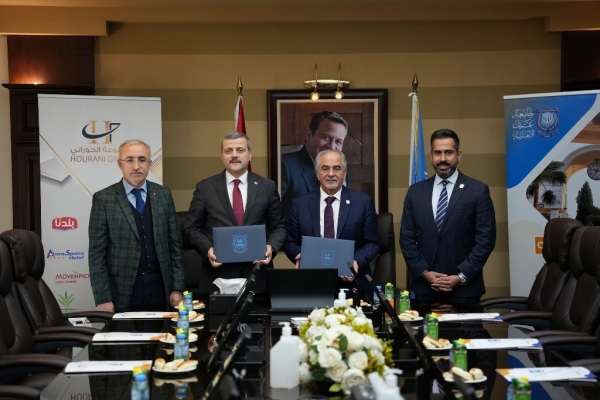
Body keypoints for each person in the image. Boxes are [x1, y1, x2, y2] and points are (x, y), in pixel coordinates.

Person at [400, 129, 496, 304]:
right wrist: (424, 273)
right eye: (437, 153)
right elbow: (406, 238)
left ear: (459, 155)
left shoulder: (478, 190)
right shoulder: (415, 192)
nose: (442, 158)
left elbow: (486, 240)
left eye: (448, 152)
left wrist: (461, 277)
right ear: (431, 156)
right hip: (425, 289)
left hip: (465, 290)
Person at [184, 131, 286, 296]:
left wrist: (271, 247)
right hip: (217, 276)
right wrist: (208, 249)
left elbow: (279, 226)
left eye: (240, 150)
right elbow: (191, 228)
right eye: (228, 151)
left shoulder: (267, 187)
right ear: (221, 155)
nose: (234, 155)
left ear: (249, 154)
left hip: (257, 276)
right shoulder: (205, 188)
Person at [88, 139, 185, 313]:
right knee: (124, 332)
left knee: (161, 331)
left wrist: (177, 287)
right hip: (122, 288)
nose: (136, 166)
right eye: (129, 160)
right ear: (120, 164)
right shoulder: (103, 199)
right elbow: (96, 254)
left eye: (142, 160)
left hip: (160, 286)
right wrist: (103, 298)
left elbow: (175, 245)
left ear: (149, 164)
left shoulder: (163, 195)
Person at [283, 149, 379, 296]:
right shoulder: (299, 204)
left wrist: (355, 262)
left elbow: (372, 243)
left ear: (344, 173)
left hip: (352, 284)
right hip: (312, 283)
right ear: (317, 173)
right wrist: (302, 256)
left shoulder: (363, 203)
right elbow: (290, 242)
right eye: (325, 168)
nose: (331, 174)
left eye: (337, 168)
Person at [281, 111, 349, 217]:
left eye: (338, 142)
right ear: (308, 135)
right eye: (326, 137)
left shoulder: (342, 174)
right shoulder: (285, 166)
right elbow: (273, 217)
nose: (332, 146)